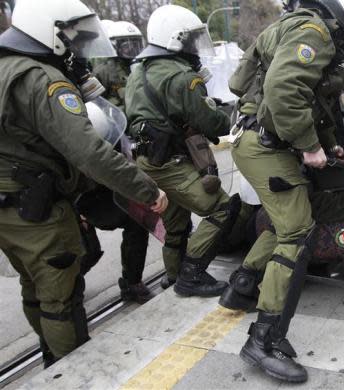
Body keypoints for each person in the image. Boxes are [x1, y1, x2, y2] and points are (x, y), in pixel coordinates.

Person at [226, 0, 344, 382]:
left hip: (263, 141)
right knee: (297, 230)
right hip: (265, 144)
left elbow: (311, 104)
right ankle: (263, 340)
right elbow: (284, 90)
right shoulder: (316, 33)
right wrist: (309, 146)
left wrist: (328, 145)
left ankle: (241, 285)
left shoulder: (314, 34)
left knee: (290, 220)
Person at [0, 0, 168, 367]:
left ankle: (50, 354)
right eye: (70, 39)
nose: (76, 49)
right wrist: (147, 190)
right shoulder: (42, 79)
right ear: (50, 32)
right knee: (62, 298)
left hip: (11, 208)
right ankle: (71, 370)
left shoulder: (5, 68)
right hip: (37, 208)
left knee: (34, 287)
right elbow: (90, 152)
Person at [126, 4, 240, 296]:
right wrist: (229, 112)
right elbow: (213, 122)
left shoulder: (137, 71)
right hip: (170, 162)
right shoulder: (182, 77)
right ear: (175, 40)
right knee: (222, 207)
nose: (194, 47)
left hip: (145, 160)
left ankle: (173, 274)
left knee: (175, 222)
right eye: (190, 40)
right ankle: (191, 275)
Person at [75, 20, 154, 303]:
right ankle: (65, 290)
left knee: (136, 222)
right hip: (69, 190)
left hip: (105, 155)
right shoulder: (102, 71)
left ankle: (131, 282)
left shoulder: (129, 70)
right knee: (86, 252)